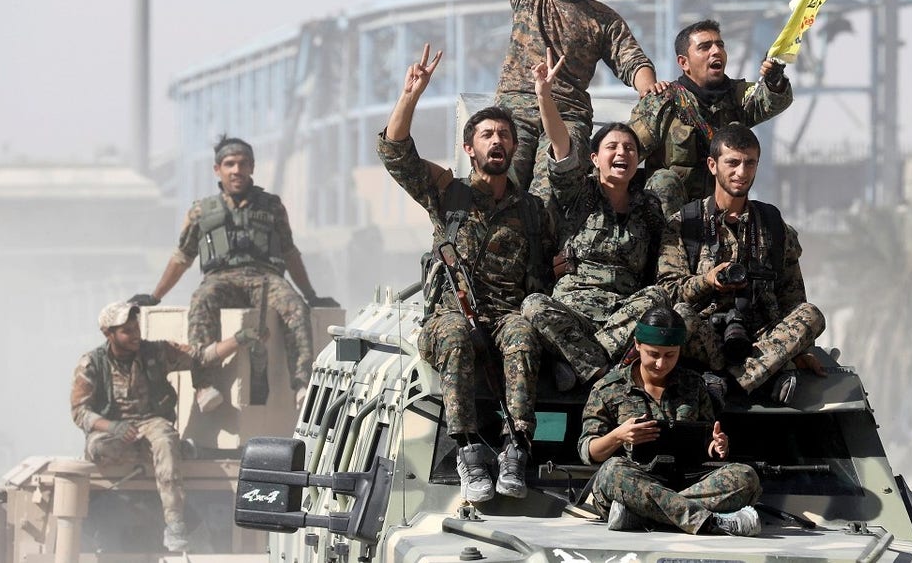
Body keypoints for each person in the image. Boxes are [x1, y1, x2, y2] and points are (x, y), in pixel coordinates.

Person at [377, 44, 552, 502]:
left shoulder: (532, 210)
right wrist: (410, 95)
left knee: (522, 334)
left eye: (504, 135)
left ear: (514, 147)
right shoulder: (448, 194)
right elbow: (396, 154)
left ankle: (516, 449)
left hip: (502, 318)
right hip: (447, 319)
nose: (497, 141)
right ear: (468, 147)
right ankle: (469, 450)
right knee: (454, 333)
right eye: (487, 134)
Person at [130, 137, 337, 407]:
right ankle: (204, 385)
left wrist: (311, 295)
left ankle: (302, 385)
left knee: (295, 307)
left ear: (252, 167)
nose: (236, 170)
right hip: (221, 279)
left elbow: (289, 252)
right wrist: (155, 296)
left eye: (242, 164)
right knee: (202, 300)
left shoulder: (272, 206)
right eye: (229, 164)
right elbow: (182, 257)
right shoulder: (201, 212)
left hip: (265, 278)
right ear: (217, 169)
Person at [496, 0, 666, 197]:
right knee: (500, 186)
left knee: (553, 191)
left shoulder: (602, 18)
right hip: (515, 110)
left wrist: (648, 87)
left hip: (566, 116)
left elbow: (633, 60)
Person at [521, 49, 670, 391]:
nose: (622, 153)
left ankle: (581, 362)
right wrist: (545, 96)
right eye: (613, 147)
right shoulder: (579, 194)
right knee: (533, 305)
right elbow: (561, 147)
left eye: (630, 148)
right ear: (594, 158)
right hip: (571, 312)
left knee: (658, 299)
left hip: (622, 316)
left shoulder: (648, 206)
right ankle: (603, 373)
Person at [71, 301, 257, 552]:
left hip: (150, 422)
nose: (135, 334)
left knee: (165, 444)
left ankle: (175, 523)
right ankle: (179, 450)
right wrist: (112, 427)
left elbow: (201, 356)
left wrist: (239, 339)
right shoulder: (91, 364)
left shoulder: (156, 352)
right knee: (98, 450)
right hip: (111, 430)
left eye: (135, 327)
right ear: (109, 334)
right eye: (126, 330)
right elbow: (80, 412)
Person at [657, 123, 825, 398]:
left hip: (760, 337)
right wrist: (707, 281)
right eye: (732, 163)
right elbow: (668, 292)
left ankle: (734, 380)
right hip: (705, 336)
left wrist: (799, 349)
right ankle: (762, 376)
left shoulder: (772, 223)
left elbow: (792, 294)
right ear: (713, 165)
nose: (741, 173)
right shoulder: (685, 223)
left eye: (750, 163)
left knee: (811, 314)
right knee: (679, 317)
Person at [578, 307, 763, 536]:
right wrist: (618, 436)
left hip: (685, 480)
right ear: (637, 344)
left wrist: (716, 447)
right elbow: (589, 451)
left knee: (745, 477)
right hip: (636, 480)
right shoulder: (608, 389)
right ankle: (710, 522)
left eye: (670, 355)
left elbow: (706, 439)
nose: (660, 364)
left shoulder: (693, 385)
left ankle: (640, 513)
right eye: (653, 354)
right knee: (611, 472)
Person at [630, 19, 794, 217]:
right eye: (705, 47)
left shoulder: (737, 96)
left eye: (720, 45)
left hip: (719, 214)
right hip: (673, 223)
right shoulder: (662, 102)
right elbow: (625, 153)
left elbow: (771, 100)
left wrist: (774, 80)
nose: (716, 51)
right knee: (664, 181)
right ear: (684, 62)